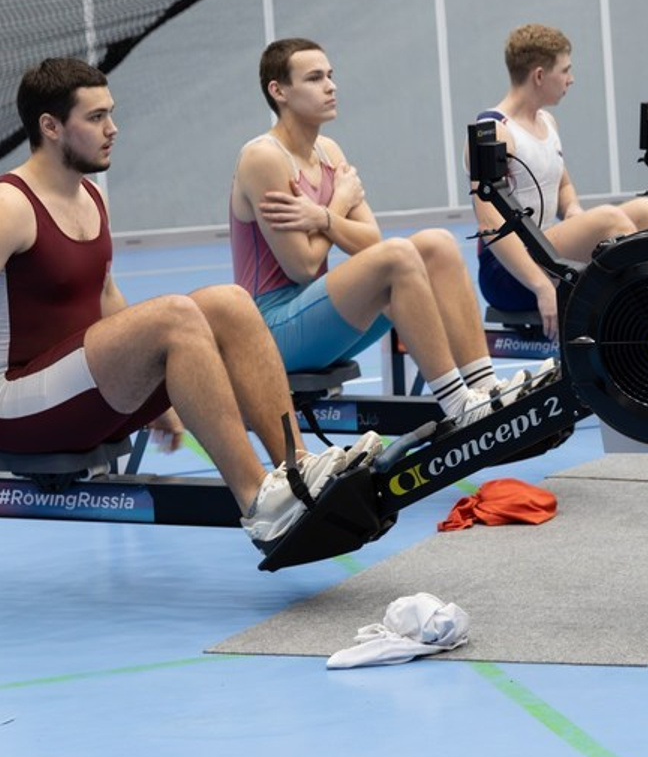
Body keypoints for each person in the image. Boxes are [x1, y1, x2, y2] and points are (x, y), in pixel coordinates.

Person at [0, 58, 377, 554]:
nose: (113, 129)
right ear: (50, 126)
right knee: (176, 314)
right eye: (95, 118)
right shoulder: (11, 204)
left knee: (228, 301)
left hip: (80, 390)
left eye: (111, 113)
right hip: (20, 403)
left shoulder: (91, 195)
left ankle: (298, 465)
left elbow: (107, 298)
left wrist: (145, 374)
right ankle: (260, 503)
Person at [231, 38, 525, 431]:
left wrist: (321, 217)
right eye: (315, 78)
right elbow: (301, 265)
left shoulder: (329, 152)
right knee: (398, 258)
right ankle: (458, 404)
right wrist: (336, 206)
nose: (331, 86)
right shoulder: (262, 157)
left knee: (435, 245)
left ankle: (484, 388)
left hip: (312, 315)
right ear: (278, 91)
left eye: (331, 76)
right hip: (271, 332)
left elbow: (371, 240)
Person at [474, 23, 648, 339]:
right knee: (610, 221)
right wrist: (541, 286)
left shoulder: (546, 121)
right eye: (565, 70)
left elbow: (563, 186)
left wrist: (574, 213)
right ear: (539, 76)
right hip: (508, 274)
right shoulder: (495, 130)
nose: (572, 79)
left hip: (543, 248)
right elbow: (490, 224)